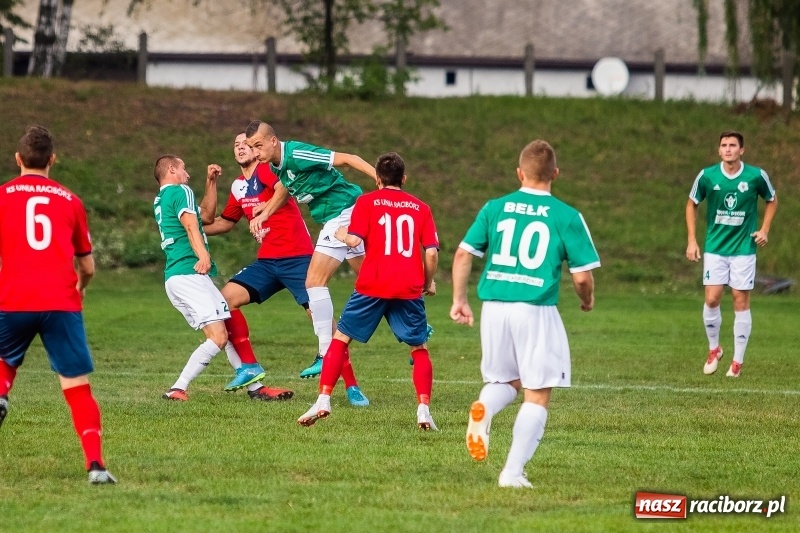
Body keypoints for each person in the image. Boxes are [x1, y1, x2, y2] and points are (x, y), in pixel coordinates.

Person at [450, 140, 599, 489]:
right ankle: (512, 473)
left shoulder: (495, 207)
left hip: (493, 308)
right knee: (538, 392)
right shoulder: (566, 215)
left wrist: (460, 299)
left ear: (519, 173)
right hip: (535, 310)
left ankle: (484, 410)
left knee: (506, 381)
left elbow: (462, 255)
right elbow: (581, 277)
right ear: (555, 174)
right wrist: (587, 299)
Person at [199, 132, 365, 404]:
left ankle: (351, 385)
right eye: (237, 145)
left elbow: (283, 188)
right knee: (224, 302)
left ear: (258, 149)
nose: (241, 148)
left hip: (297, 257)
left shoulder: (270, 170)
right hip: (267, 262)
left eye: (248, 144)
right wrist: (192, 226)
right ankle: (249, 366)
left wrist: (263, 212)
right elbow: (225, 222)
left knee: (320, 318)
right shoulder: (239, 186)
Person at [0, 125, 116, 484]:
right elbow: (87, 266)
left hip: (13, 298)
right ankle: (96, 466)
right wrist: (80, 287)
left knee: (3, 362)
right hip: (60, 302)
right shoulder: (70, 201)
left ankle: (2, 394)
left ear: (18, 159)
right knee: (76, 385)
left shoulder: (3, 196)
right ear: (53, 160)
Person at [297, 152, 439, 429]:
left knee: (339, 340)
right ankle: (423, 409)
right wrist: (427, 282)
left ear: (377, 179)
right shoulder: (421, 207)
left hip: (373, 283)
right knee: (419, 347)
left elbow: (352, 240)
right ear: (404, 178)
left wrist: (340, 235)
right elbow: (431, 253)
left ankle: (323, 399)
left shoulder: (366, 201)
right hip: (408, 286)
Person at [245, 120, 373, 401]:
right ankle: (417, 325)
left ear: (273, 141)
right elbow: (287, 189)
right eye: (251, 147)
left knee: (314, 281)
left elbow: (348, 159)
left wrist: (381, 180)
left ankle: (326, 351)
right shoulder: (275, 166)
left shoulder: (297, 153)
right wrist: (264, 214)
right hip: (337, 215)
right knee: (370, 282)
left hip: (344, 212)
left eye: (258, 145)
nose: (255, 152)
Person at [686, 131, 777, 378]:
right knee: (712, 299)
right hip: (715, 247)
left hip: (743, 249)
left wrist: (765, 230)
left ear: (741, 150)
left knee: (739, 298)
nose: (728, 149)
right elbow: (692, 203)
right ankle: (714, 349)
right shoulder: (707, 176)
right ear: (719, 150)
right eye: (724, 145)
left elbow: (772, 199)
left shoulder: (756, 176)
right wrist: (692, 240)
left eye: (733, 145)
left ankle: (737, 362)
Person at [153, 155, 233, 401]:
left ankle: (253, 384)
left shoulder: (163, 198)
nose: (187, 174)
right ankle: (179, 387)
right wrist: (204, 256)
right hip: (190, 272)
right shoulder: (181, 190)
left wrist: (211, 182)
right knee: (219, 336)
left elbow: (206, 217)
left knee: (222, 329)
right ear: (172, 169)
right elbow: (191, 226)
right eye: (184, 168)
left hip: (176, 277)